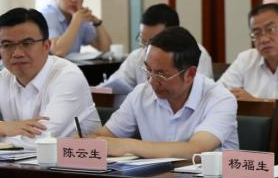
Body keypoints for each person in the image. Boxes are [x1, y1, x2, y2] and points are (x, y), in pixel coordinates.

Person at [0, 7, 100, 147]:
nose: (17, 53)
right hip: (14, 165)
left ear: (46, 46)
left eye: (27, 43)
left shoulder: (68, 77)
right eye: (7, 45)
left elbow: (40, 141)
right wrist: (0, 127)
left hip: (75, 166)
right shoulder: (2, 78)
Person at [96, 27, 237, 158]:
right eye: (148, 70)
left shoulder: (221, 99)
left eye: (161, 74)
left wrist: (128, 146)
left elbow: (196, 150)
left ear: (190, 74)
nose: (152, 81)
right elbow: (102, 136)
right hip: (156, 176)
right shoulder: (141, 94)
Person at [100, 4, 212, 102]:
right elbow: (111, 85)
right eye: (142, 40)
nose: (146, 49)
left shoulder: (193, 54)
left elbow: (198, 95)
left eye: (152, 42)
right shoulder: (137, 55)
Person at [40, 0, 112, 57]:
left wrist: (97, 22)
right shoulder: (47, 16)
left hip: (71, 65)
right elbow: (58, 51)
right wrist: (76, 21)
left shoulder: (79, 16)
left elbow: (106, 49)